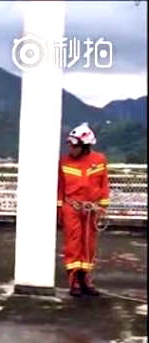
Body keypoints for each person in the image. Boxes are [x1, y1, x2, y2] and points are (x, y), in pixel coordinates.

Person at [57, 122, 110, 297]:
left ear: (85, 146)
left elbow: (104, 184)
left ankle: (85, 279)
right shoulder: (64, 162)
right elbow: (60, 187)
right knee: (73, 244)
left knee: (89, 245)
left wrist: (102, 207)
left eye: (75, 146)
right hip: (71, 207)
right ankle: (74, 281)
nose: (71, 149)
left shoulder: (99, 160)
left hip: (91, 209)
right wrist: (59, 209)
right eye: (70, 145)